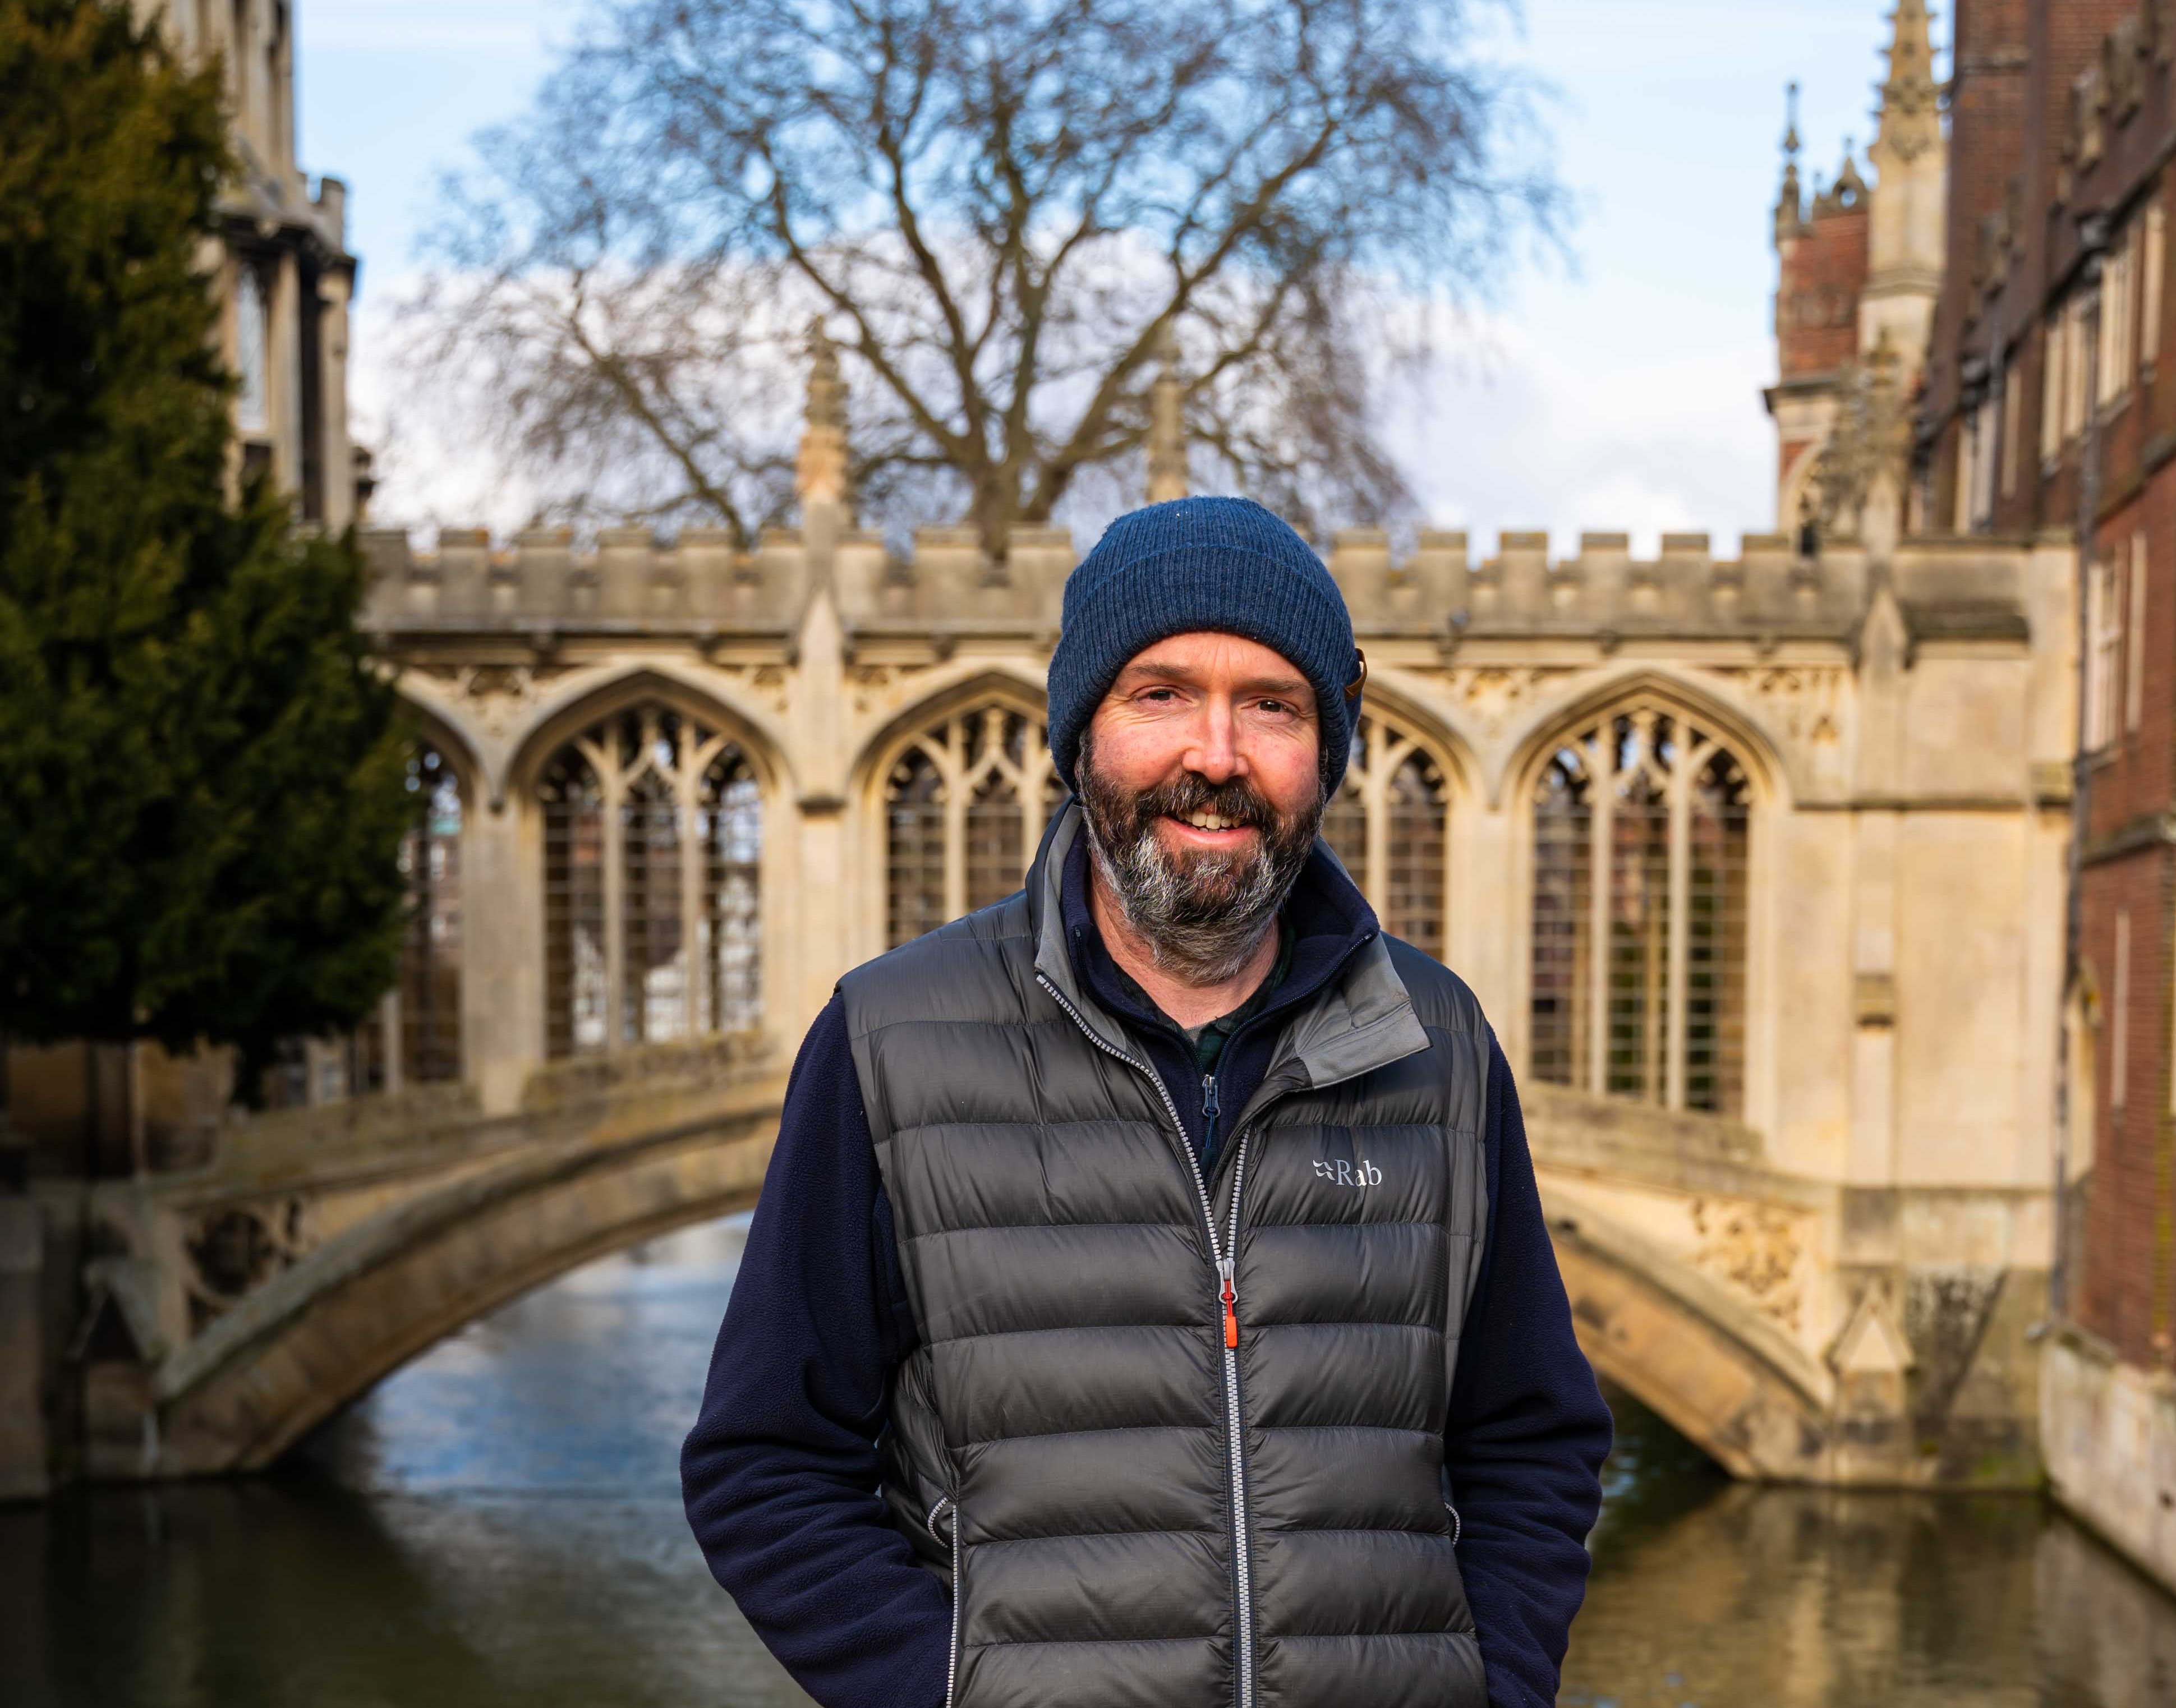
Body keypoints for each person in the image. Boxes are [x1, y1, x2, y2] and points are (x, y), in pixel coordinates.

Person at [682, 496, 1612, 1708]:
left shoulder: (1437, 1041)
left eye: (1271, 705)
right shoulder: (887, 1038)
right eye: (1160, 693)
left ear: (1325, 751)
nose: (1216, 755)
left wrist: (1497, 1685)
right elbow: (766, 1463)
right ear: (1080, 738)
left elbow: (1533, 1441)